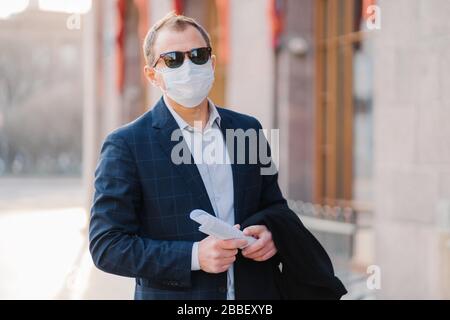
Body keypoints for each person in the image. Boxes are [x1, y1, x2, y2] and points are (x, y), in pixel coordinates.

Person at [89, 12, 346, 300]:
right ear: (152, 75)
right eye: (173, 59)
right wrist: (194, 256)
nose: (188, 66)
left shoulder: (247, 129)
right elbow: (107, 245)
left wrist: (270, 233)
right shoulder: (127, 145)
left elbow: (274, 205)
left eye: (198, 55)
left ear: (211, 63)